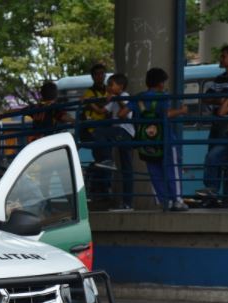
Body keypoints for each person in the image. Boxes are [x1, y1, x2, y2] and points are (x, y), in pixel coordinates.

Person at [135, 68, 189, 211]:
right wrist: (181, 111)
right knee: (172, 169)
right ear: (160, 83)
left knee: (154, 171)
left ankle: (165, 201)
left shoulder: (139, 97)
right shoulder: (163, 96)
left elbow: (123, 114)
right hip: (166, 138)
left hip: (146, 141)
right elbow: (166, 114)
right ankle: (177, 201)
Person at [92, 73, 135, 210]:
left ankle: (107, 160)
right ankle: (127, 203)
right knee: (126, 167)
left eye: (111, 85)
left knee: (99, 133)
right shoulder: (113, 97)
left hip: (124, 132)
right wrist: (89, 102)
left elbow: (126, 113)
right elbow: (102, 110)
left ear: (120, 86)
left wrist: (117, 98)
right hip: (118, 132)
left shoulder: (125, 95)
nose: (108, 87)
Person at [202, 45, 228, 200]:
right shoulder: (220, 78)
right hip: (217, 126)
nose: (221, 59)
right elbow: (206, 98)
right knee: (213, 158)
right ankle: (216, 196)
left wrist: (220, 101)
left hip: (224, 126)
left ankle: (212, 191)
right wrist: (221, 100)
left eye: (224, 56)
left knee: (213, 157)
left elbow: (221, 109)